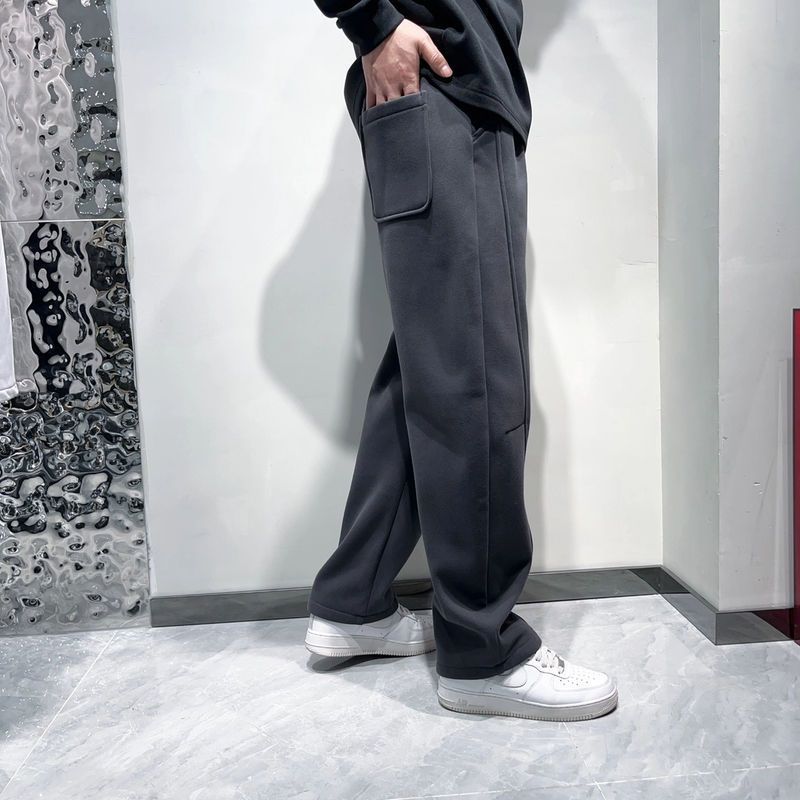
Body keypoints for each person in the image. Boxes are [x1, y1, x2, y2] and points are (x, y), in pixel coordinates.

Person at [304, 0, 618, 722]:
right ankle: (483, 650)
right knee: (474, 375)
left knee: (437, 365)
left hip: (442, 97)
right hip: (450, 93)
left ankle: (355, 599)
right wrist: (373, 23)